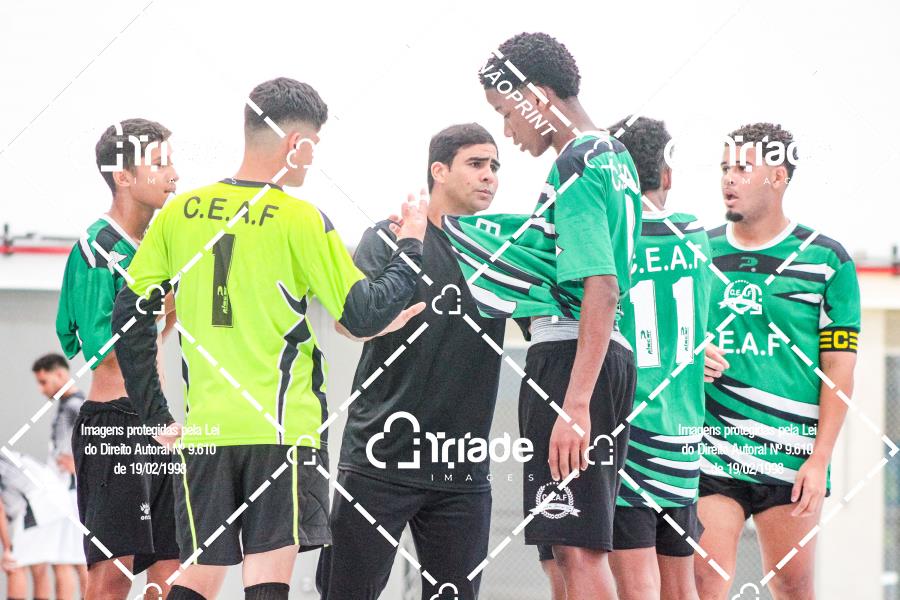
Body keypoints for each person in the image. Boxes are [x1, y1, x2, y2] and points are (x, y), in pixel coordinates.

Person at [110, 77, 428, 600]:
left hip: (207, 430)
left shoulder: (180, 213)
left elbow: (129, 315)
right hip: (283, 430)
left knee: (197, 576)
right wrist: (411, 246)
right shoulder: (301, 219)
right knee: (265, 577)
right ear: (294, 144)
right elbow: (364, 314)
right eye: (313, 146)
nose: (312, 159)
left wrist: (156, 416)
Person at [446, 32, 642, 599]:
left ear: (535, 97)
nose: (508, 130)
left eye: (506, 112)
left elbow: (602, 285)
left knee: (576, 551)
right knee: (561, 549)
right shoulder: (614, 155)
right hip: (600, 358)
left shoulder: (577, 162)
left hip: (573, 359)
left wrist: (575, 404)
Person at [317, 123, 505, 600]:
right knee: (345, 592)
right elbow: (349, 323)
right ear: (438, 171)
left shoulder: (501, 253)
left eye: (494, 166)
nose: (489, 175)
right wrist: (384, 322)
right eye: (476, 163)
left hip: (460, 465)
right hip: (380, 455)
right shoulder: (390, 236)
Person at [694, 123, 860, 599]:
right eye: (724, 167)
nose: (729, 178)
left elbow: (840, 369)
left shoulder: (826, 259)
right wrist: (690, 355)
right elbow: (667, 338)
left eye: (742, 168)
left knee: (792, 583)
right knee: (705, 579)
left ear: (778, 177)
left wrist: (820, 457)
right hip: (712, 444)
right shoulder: (697, 252)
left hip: (792, 450)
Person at [56, 117, 181, 599]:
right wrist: (162, 305)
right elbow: (102, 352)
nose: (173, 174)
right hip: (114, 423)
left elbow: (154, 337)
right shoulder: (95, 249)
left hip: (158, 424)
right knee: (112, 578)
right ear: (123, 176)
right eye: (160, 163)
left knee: (171, 573)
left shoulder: (160, 248)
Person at [31, 353, 88, 599]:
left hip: (72, 495)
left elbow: (103, 443)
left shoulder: (76, 406)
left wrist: (81, 466)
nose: (41, 389)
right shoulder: (67, 405)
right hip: (63, 493)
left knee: (71, 561)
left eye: (44, 382)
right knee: (66, 560)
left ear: (61, 374)